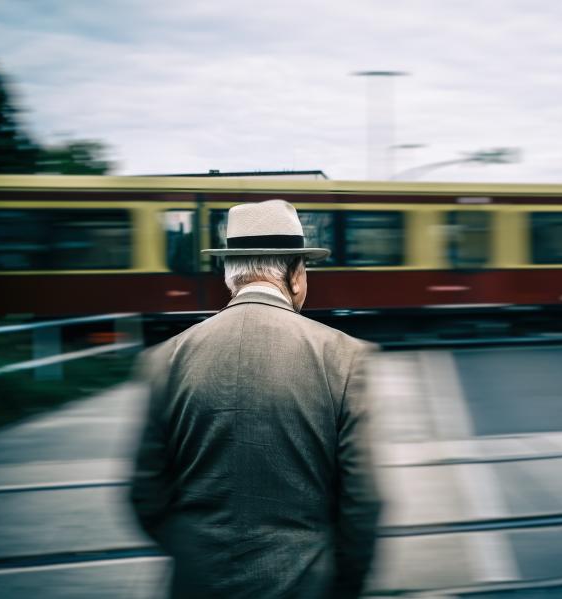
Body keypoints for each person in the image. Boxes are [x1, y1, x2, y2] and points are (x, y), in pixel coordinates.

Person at [129, 199, 382, 598]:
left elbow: (146, 495)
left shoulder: (165, 359)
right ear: (296, 275)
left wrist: (198, 552)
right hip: (304, 582)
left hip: (197, 583)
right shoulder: (345, 357)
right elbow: (363, 503)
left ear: (231, 276)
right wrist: (341, 583)